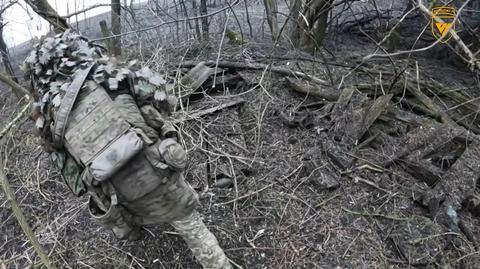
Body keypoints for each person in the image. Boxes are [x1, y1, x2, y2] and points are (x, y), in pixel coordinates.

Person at [23, 30, 232, 269]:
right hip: (158, 169)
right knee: (191, 226)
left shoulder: (48, 115)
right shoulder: (107, 73)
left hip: (118, 194)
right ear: (75, 52)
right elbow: (160, 106)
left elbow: (76, 183)